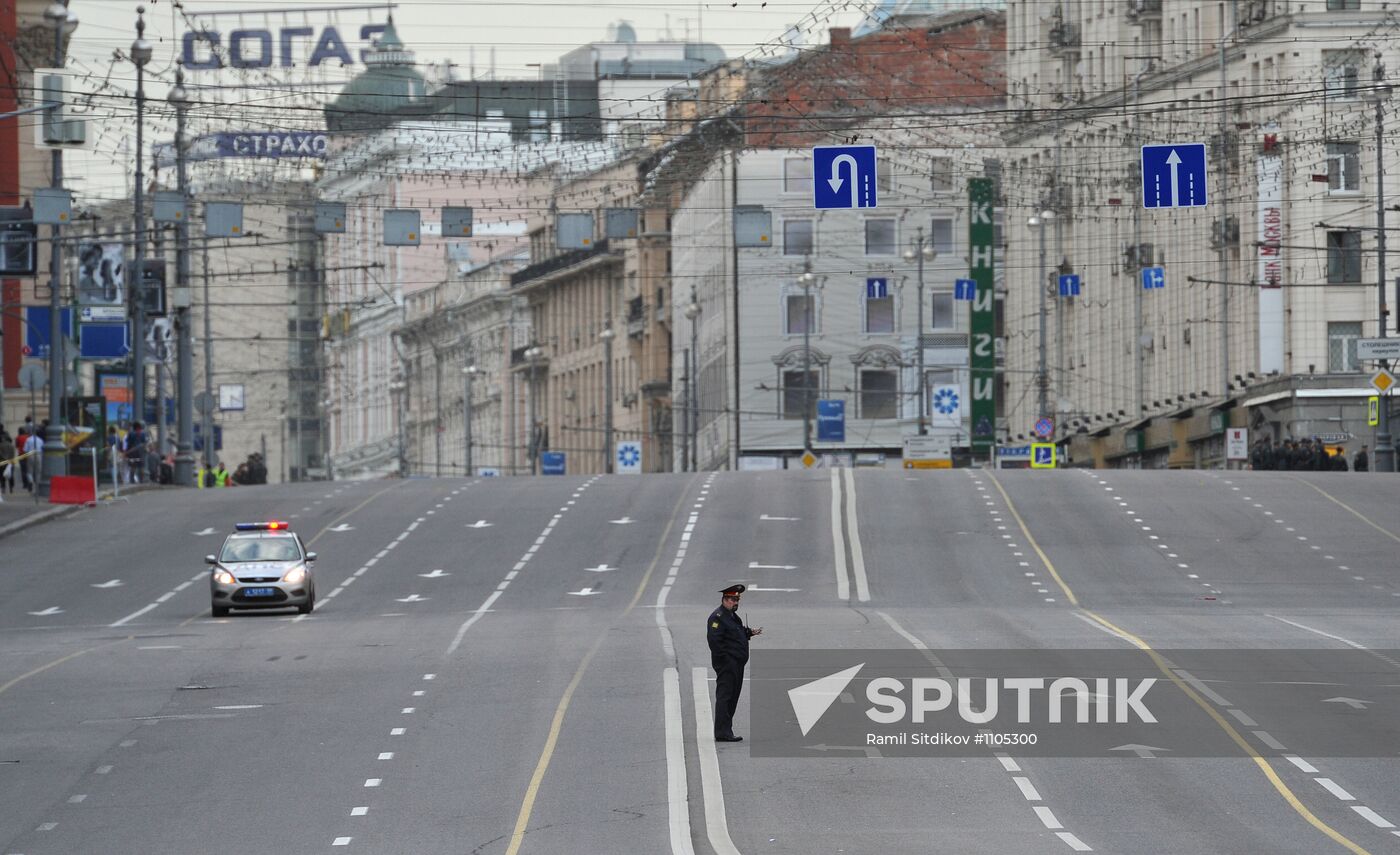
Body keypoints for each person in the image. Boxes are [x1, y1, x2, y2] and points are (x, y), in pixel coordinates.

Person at [707, 583, 762, 742]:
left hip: (737, 664)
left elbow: (735, 634)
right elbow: (715, 641)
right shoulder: (717, 618)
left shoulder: (732, 616)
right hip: (727, 664)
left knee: (733, 697)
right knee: (725, 696)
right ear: (724, 599)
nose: (735, 602)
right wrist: (726, 660)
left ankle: (726, 729)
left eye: (737, 599)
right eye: (732, 599)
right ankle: (722, 732)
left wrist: (749, 633)